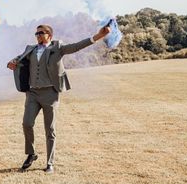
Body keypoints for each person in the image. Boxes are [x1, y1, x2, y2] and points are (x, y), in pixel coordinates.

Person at [7, 23, 111, 173]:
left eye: (41, 33)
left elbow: (77, 46)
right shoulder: (30, 49)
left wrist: (99, 36)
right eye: (36, 34)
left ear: (49, 35)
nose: (38, 36)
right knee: (26, 123)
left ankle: (50, 163)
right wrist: (12, 62)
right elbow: (18, 59)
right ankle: (31, 154)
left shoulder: (57, 48)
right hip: (32, 93)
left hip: (50, 93)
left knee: (50, 129)